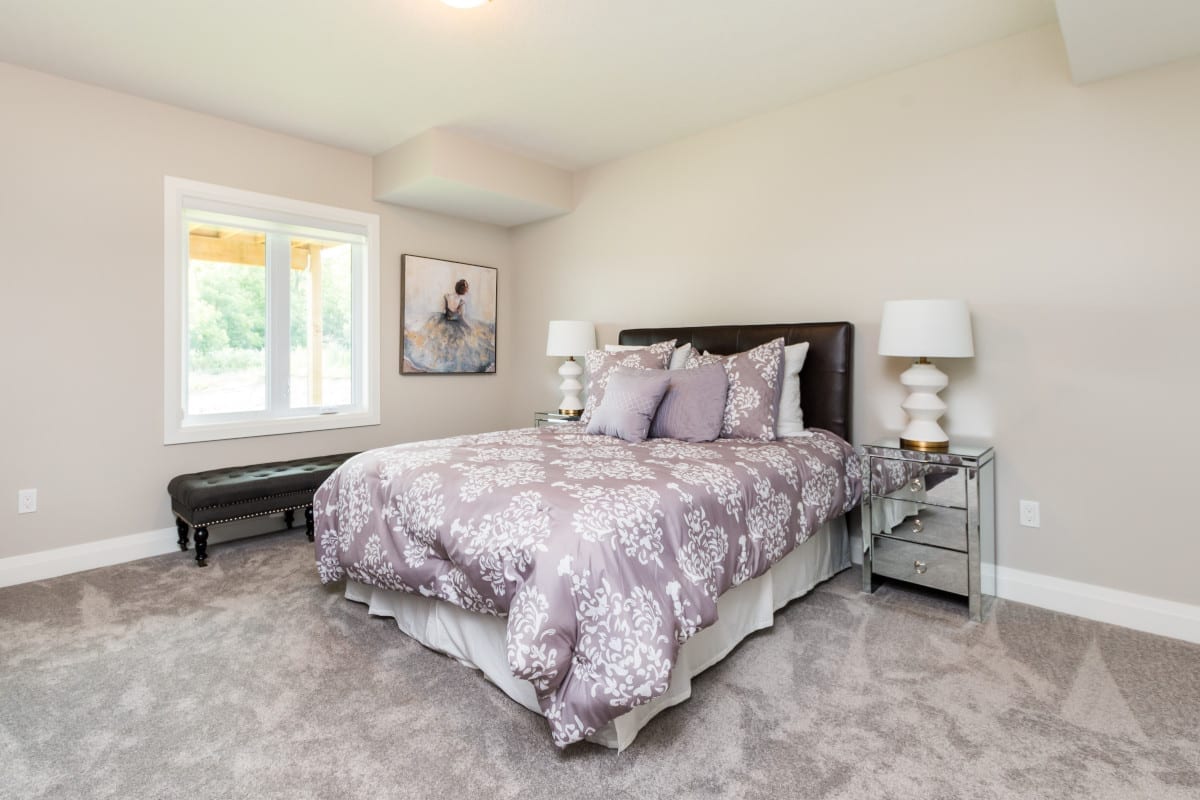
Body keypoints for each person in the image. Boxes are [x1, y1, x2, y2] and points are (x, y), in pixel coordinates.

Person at [404, 277, 495, 373]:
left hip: (444, 320)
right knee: (459, 346)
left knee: (440, 345)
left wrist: (450, 315)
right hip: (456, 324)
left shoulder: (447, 296)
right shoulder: (462, 301)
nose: (467, 290)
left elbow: (444, 311)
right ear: (463, 290)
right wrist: (468, 327)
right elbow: (461, 317)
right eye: (466, 288)